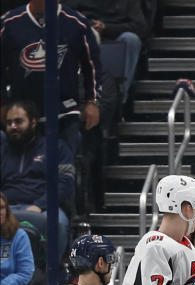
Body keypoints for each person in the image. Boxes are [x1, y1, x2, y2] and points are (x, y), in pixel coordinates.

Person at [0, 0, 102, 158]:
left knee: (65, 171)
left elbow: (92, 66)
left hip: (65, 111)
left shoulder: (77, 23)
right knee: (26, 173)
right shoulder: (8, 23)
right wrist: (3, 102)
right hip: (22, 113)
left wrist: (92, 101)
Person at [1, 100, 74, 259]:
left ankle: (49, 276)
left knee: (58, 224)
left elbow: (65, 183)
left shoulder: (55, 147)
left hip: (43, 208)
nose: (13, 126)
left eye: (18, 121)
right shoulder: (3, 150)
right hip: (6, 207)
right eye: (9, 122)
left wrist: (39, 205)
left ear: (33, 122)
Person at [61, 0, 147, 106]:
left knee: (132, 39)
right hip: (86, 35)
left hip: (115, 37)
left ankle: (120, 98)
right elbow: (65, 14)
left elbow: (140, 26)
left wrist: (106, 27)